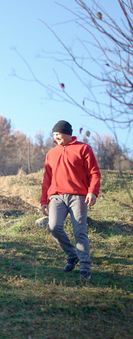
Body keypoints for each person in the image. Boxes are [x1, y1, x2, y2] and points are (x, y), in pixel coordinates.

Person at [40, 120, 101, 281]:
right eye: (54, 134)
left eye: (58, 134)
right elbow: (47, 178)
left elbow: (94, 173)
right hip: (57, 196)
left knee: (79, 231)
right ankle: (72, 254)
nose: (56, 137)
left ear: (67, 133)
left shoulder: (83, 149)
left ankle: (85, 268)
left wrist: (92, 192)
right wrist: (43, 200)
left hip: (78, 196)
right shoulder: (51, 153)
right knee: (54, 227)